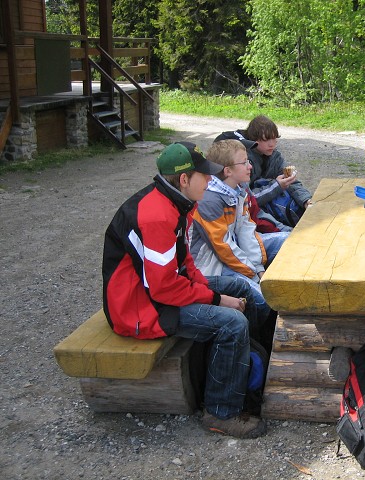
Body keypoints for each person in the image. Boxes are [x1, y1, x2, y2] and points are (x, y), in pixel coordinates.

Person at [102, 141, 266, 439]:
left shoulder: (177, 202)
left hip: (156, 292)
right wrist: (216, 299)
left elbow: (184, 261)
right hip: (139, 307)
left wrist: (208, 288)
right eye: (204, 175)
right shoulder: (157, 215)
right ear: (184, 179)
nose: (210, 180)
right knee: (232, 323)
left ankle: (248, 369)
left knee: (237, 286)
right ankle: (221, 412)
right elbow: (163, 288)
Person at [190, 139, 286, 347]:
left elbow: (246, 231)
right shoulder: (209, 200)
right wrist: (254, 275)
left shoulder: (238, 190)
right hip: (212, 265)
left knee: (287, 241)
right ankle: (256, 341)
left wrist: (259, 268)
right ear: (228, 171)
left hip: (233, 254)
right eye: (244, 162)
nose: (250, 166)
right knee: (261, 299)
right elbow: (224, 248)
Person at [215, 115, 313, 226]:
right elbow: (248, 198)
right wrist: (277, 186)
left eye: (274, 138)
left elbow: (292, 182)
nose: (272, 144)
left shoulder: (274, 156)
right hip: (247, 214)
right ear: (253, 138)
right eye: (266, 139)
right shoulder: (243, 161)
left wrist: (306, 200)